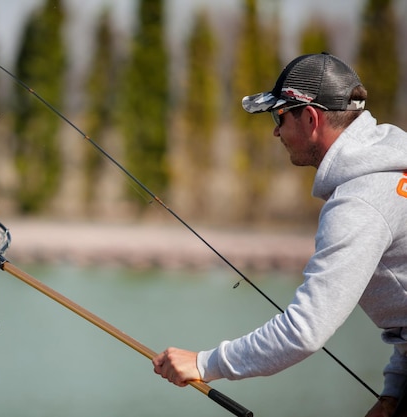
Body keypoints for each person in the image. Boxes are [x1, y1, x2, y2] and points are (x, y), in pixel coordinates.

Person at [152, 53, 407, 417]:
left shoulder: (360, 203)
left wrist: (205, 364)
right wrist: (394, 392)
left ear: (311, 117)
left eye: (279, 116)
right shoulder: (393, 171)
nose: (275, 131)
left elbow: (304, 331)